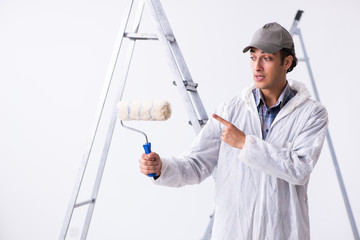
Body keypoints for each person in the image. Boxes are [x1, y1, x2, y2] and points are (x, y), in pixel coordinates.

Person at [139, 22, 328, 240]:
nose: (257, 66)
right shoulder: (229, 111)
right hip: (233, 232)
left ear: (286, 62)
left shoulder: (312, 114)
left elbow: (299, 169)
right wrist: (162, 166)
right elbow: (195, 165)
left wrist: (244, 143)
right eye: (253, 57)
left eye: (266, 58)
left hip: (282, 234)